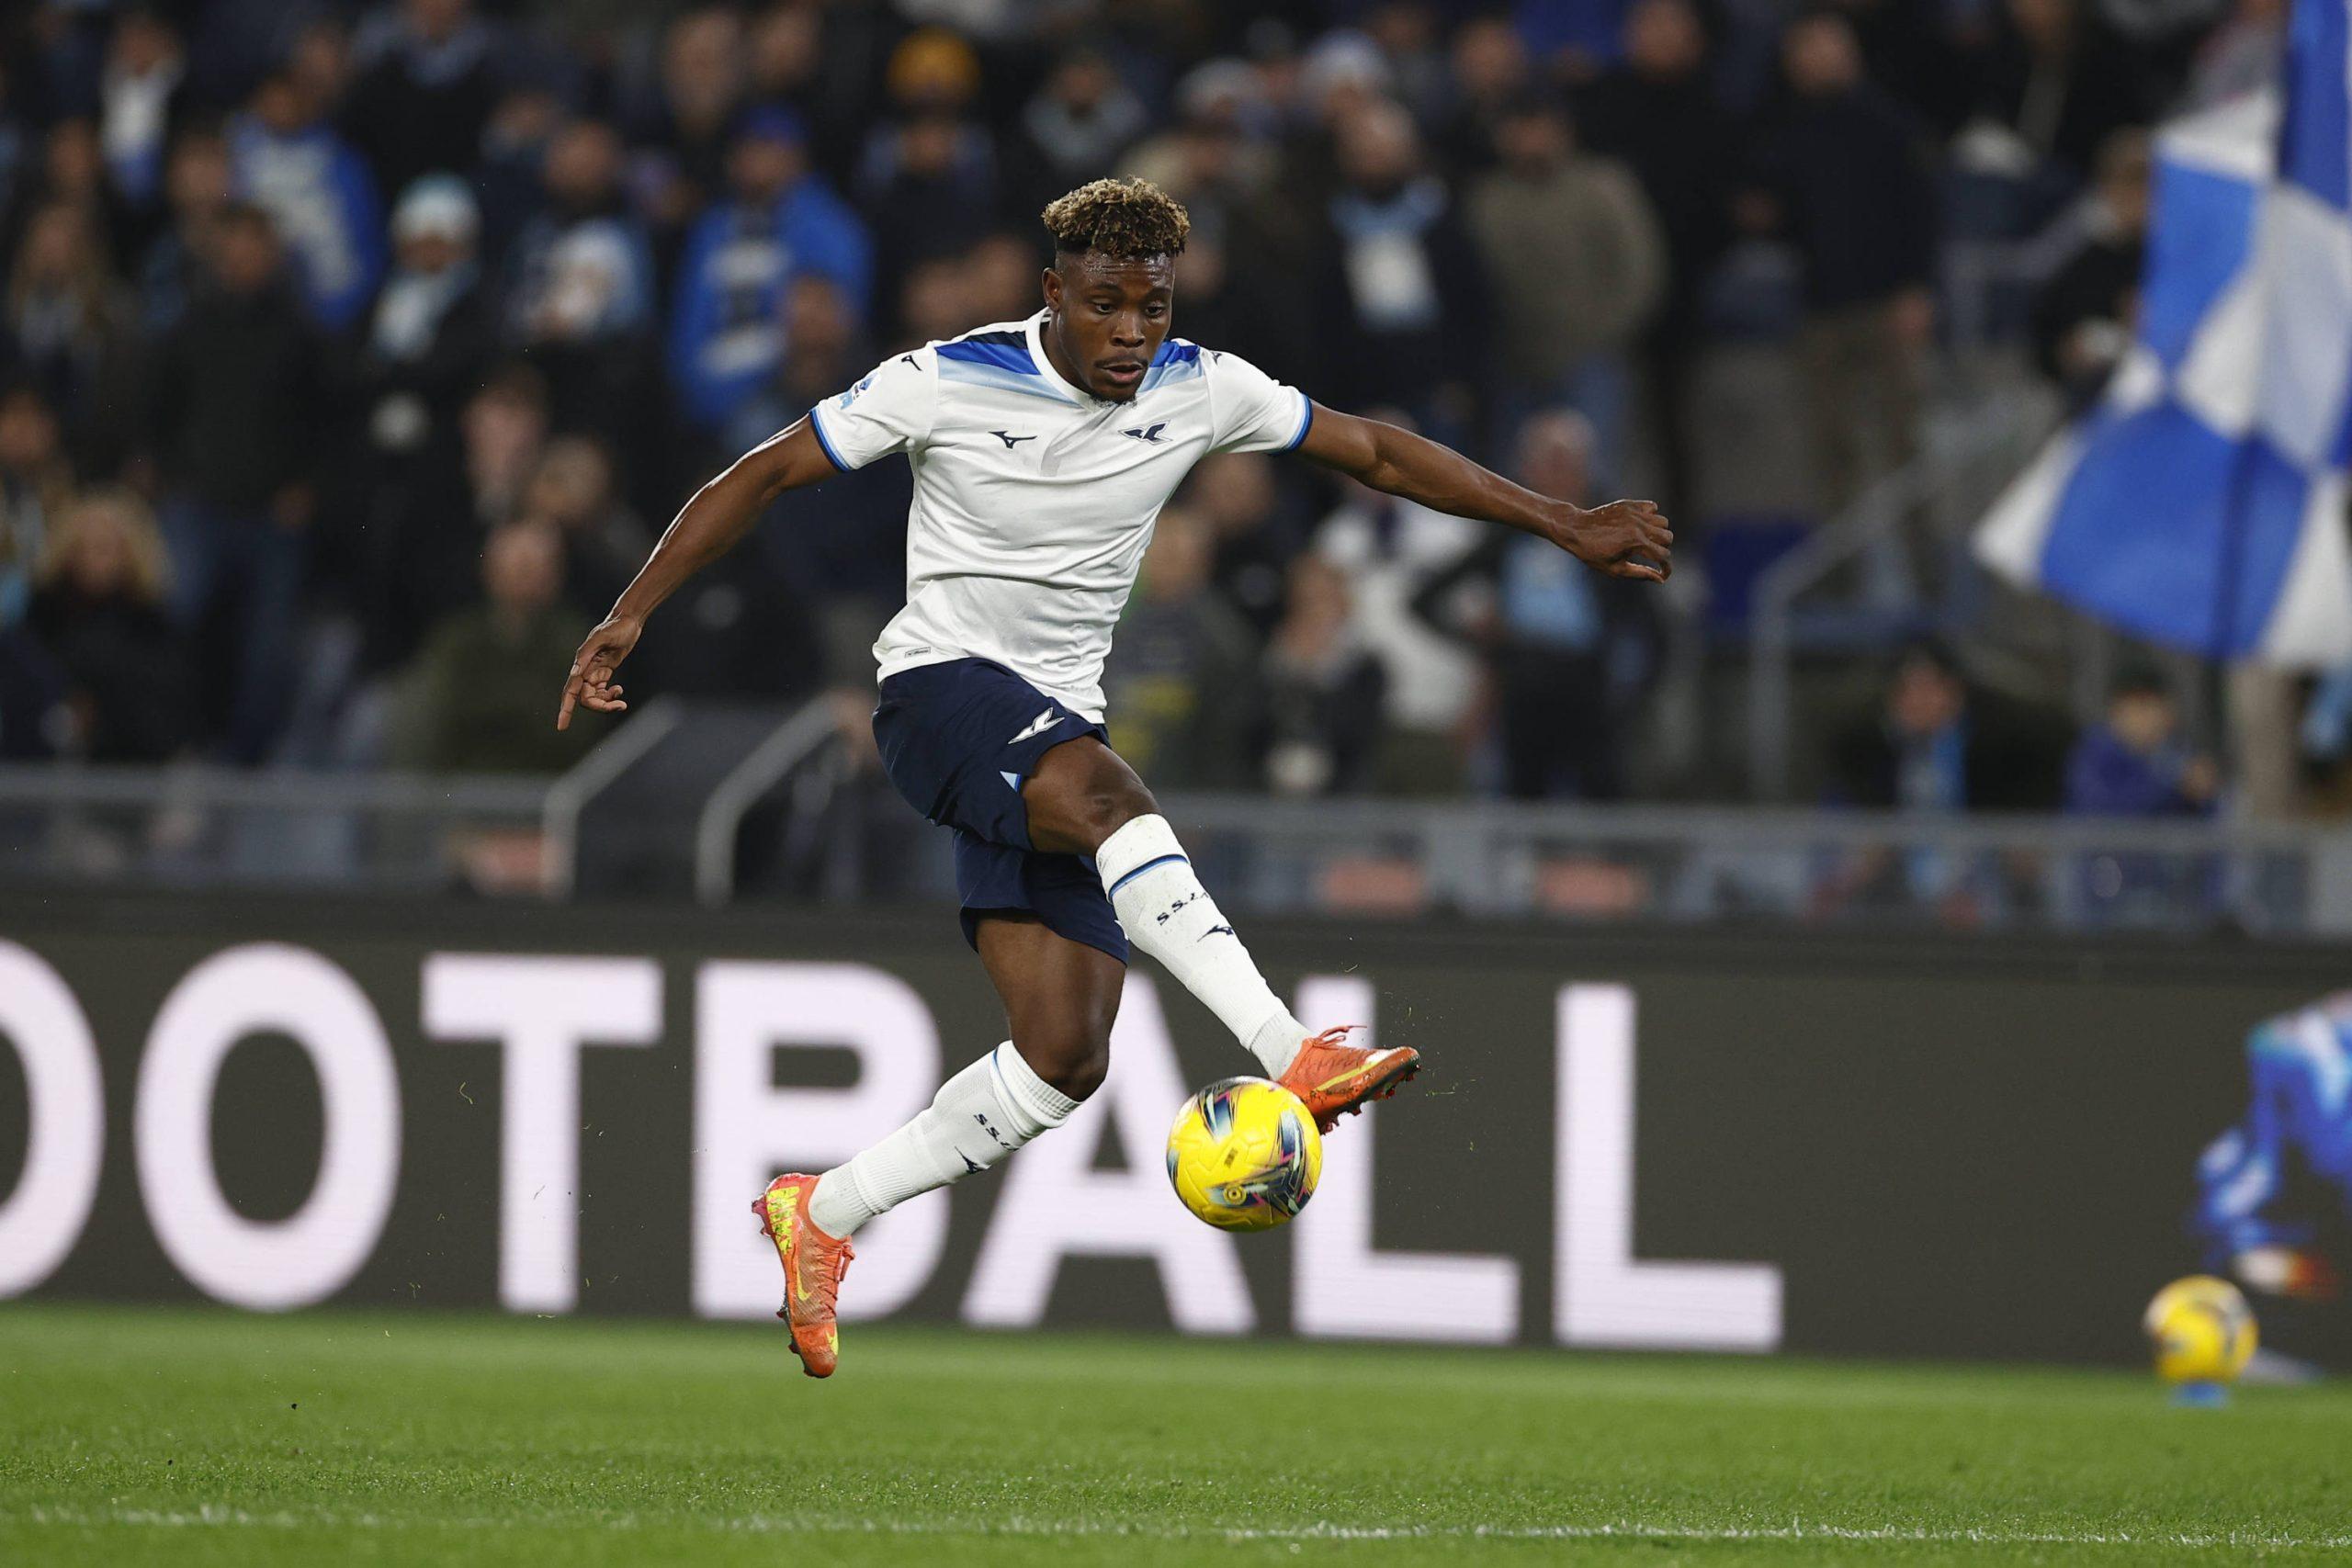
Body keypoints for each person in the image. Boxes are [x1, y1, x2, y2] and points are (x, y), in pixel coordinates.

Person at [554, 177, 1671, 1377]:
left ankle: (823, 1214)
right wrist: (630, 615)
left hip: (1045, 733)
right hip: (939, 695)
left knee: (1064, 1058)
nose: (1132, 331)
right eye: (1106, 306)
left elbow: (1379, 452)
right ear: (1053, 297)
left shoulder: (1203, 385)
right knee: (1113, 801)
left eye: (1151, 303)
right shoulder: (948, 377)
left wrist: (1560, 521)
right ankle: (1292, 1049)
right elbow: (762, 476)